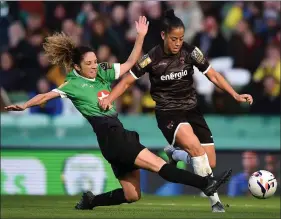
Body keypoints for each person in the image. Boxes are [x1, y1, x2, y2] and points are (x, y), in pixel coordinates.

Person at [5, 16, 232, 210]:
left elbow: (131, 63)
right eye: (90, 64)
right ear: (77, 67)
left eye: (95, 61)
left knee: (132, 195)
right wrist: (25, 105)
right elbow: (45, 96)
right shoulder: (71, 84)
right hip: (111, 134)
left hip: (114, 136)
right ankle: (205, 184)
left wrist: (140, 35)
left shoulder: (102, 73)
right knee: (159, 166)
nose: (95, 66)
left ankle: (91, 201)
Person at [99, 10, 253, 212]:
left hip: (192, 110)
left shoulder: (191, 52)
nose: (178, 43)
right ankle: (216, 203)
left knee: (210, 161)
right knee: (197, 151)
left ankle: (176, 154)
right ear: (163, 35)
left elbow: (213, 75)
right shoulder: (151, 57)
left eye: (181, 39)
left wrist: (235, 94)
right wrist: (109, 98)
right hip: (169, 114)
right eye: (174, 39)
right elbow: (127, 81)